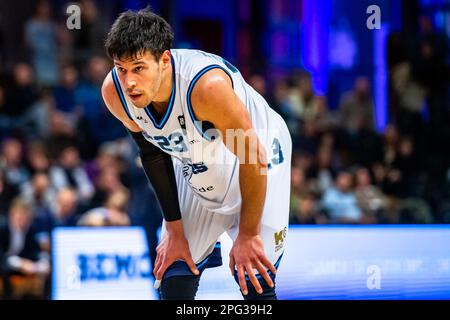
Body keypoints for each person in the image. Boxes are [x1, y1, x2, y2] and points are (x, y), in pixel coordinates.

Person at [101, 8, 292, 300]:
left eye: (139, 68)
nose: (129, 82)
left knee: (255, 278)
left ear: (164, 60)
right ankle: (202, 240)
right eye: (121, 68)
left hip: (259, 155)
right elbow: (151, 154)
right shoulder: (114, 93)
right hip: (198, 157)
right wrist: (175, 231)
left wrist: (249, 234)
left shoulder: (206, 87)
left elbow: (252, 155)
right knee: (174, 273)